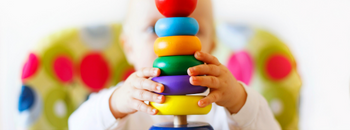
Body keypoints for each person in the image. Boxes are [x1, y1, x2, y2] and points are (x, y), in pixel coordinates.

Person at [69, 0, 281, 129]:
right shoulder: (125, 105)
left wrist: (238, 99)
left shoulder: (224, 108)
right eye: (155, 29)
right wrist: (114, 105)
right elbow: (77, 126)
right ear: (129, 47)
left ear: (212, 45)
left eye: (193, 29)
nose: (177, 41)